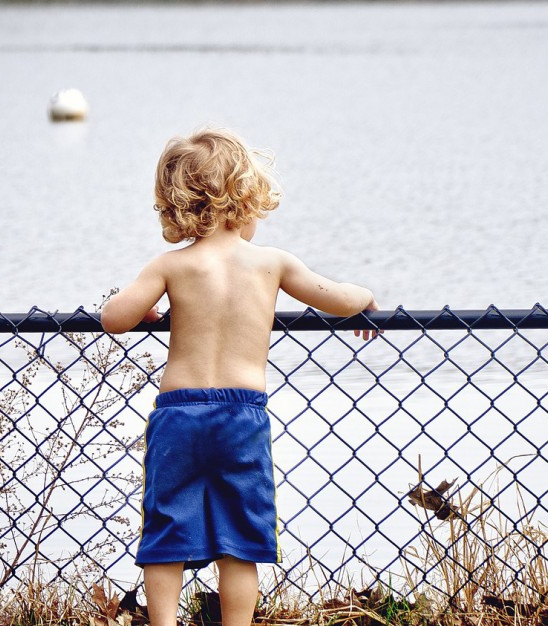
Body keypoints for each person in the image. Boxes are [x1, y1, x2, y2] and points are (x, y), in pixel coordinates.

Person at [101, 128, 379, 626]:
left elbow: (113, 318)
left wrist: (142, 307)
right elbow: (337, 298)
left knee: (167, 534)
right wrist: (366, 297)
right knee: (239, 541)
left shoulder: (171, 266)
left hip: (180, 414)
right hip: (240, 416)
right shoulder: (272, 263)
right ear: (245, 198)